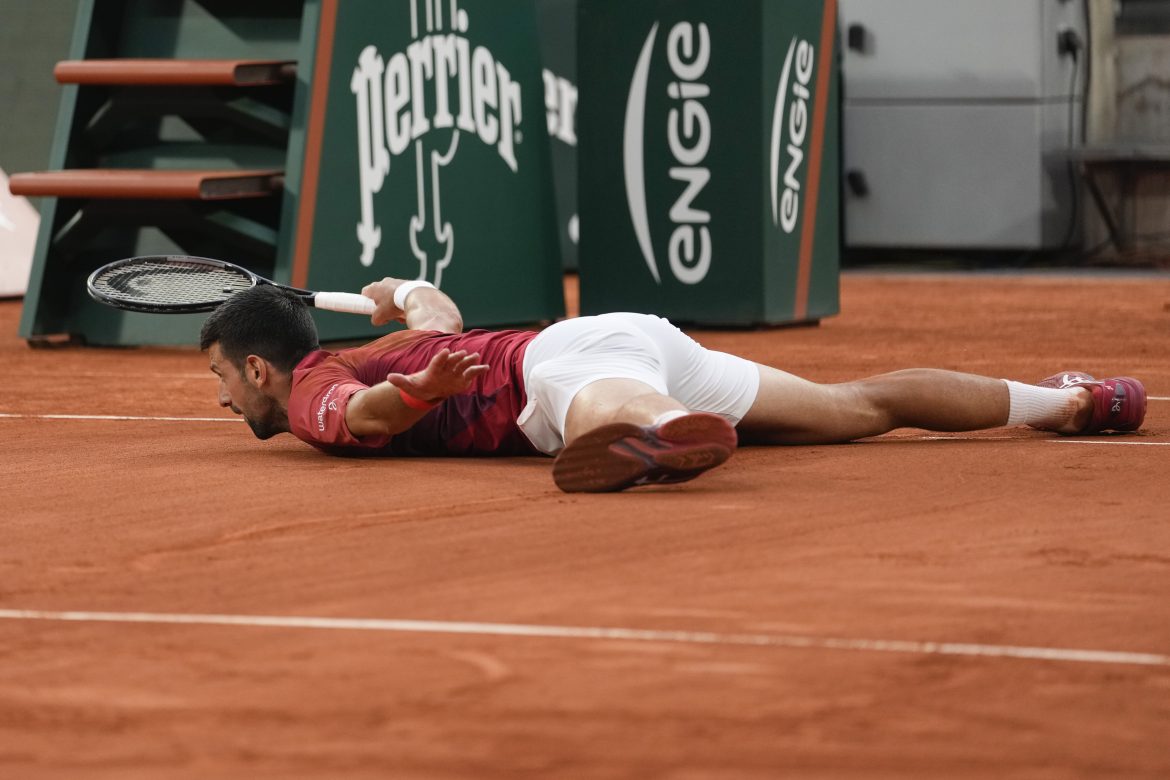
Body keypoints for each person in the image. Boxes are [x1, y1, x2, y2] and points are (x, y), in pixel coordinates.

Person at [199, 277, 1147, 493]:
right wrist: (403, 292)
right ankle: (1073, 400)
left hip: (556, 373)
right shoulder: (380, 346)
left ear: (259, 367)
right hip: (618, 333)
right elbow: (438, 314)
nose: (221, 399)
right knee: (858, 406)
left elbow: (362, 415)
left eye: (220, 378)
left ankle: (664, 428)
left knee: (611, 412)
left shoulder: (313, 392)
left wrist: (415, 398)